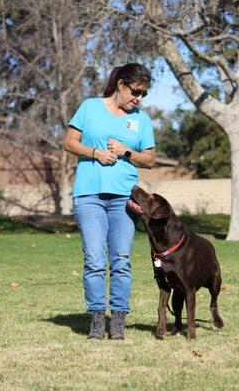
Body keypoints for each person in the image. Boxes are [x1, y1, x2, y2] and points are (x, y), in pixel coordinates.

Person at [63, 63, 155, 340]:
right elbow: (69, 143)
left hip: (123, 199)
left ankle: (117, 321)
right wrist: (95, 153)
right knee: (94, 259)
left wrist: (127, 151)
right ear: (120, 85)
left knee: (122, 260)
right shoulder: (89, 107)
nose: (138, 98)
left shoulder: (142, 119)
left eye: (143, 94)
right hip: (88, 195)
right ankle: (95, 320)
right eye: (135, 92)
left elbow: (149, 159)